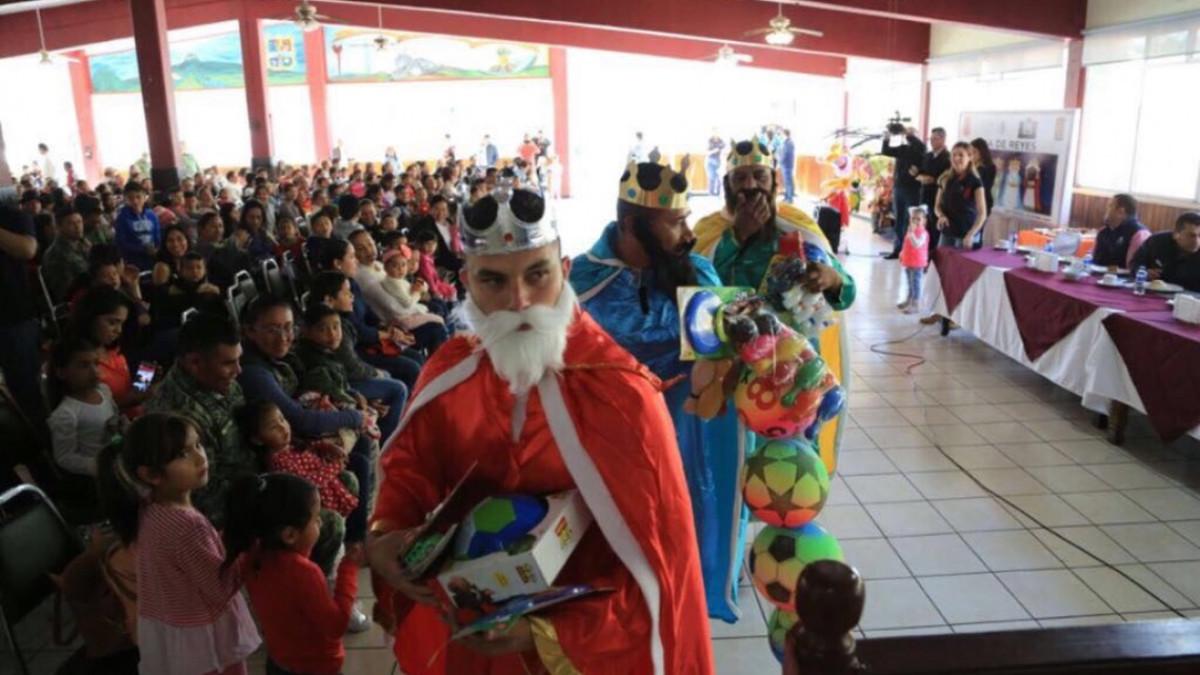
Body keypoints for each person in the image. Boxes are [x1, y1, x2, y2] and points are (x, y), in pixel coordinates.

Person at [366, 186, 714, 674]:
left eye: (537, 274)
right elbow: (409, 474)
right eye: (494, 280)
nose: (520, 301)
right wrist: (386, 537)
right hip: (471, 635)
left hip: (582, 646)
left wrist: (546, 632)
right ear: (466, 281)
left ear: (565, 270)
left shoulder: (623, 395)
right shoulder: (448, 373)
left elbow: (659, 568)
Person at [569, 161, 748, 623]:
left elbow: (720, 357)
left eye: (687, 219)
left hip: (685, 435)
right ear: (632, 226)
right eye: (675, 222)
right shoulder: (582, 286)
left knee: (688, 526)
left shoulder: (698, 273)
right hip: (616, 443)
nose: (688, 233)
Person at [692, 137, 854, 479]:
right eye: (740, 178)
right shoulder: (709, 231)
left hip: (792, 371)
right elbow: (696, 286)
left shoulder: (798, 226)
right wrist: (738, 236)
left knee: (788, 471)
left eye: (759, 176)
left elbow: (846, 292)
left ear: (774, 181)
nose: (751, 186)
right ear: (727, 185)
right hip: (731, 366)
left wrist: (833, 279)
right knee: (731, 462)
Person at [96, 413, 261, 675]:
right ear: (151, 474)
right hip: (206, 642)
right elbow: (220, 589)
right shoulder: (185, 525)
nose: (200, 457)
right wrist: (247, 547)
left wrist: (222, 539)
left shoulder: (150, 507)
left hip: (178, 631)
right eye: (183, 454)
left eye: (198, 445)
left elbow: (192, 558)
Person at [224, 473, 359, 675]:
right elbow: (336, 626)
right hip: (316, 668)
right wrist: (349, 568)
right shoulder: (304, 573)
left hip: (278, 662)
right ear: (289, 534)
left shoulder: (252, 556)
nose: (321, 523)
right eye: (315, 519)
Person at [145, 313, 255, 528]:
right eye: (228, 363)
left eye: (238, 360)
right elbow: (205, 498)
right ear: (194, 363)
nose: (238, 370)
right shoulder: (179, 419)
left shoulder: (216, 379)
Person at [240, 401, 359, 522]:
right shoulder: (278, 462)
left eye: (282, 419)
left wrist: (326, 446)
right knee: (336, 520)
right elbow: (309, 483)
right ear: (257, 440)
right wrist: (335, 466)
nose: (283, 427)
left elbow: (308, 446)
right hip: (317, 501)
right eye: (273, 427)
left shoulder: (289, 445)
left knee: (350, 478)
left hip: (328, 488)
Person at [47, 336, 122, 477]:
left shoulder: (104, 391)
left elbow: (112, 430)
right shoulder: (66, 414)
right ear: (61, 373)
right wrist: (102, 466)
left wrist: (120, 434)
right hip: (102, 476)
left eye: (96, 363)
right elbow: (65, 457)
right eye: (83, 366)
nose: (94, 371)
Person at [0, 201, 44, 426]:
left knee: (26, 386)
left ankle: (39, 437)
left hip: (12, 316)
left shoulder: (11, 216)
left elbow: (27, 249)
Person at [880, 123, 927, 259]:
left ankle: (908, 250)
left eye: (911, 133)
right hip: (899, 188)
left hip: (912, 190)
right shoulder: (903, 148)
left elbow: (920, 146)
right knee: (898, 219)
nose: (907, 135)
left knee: (909, 220)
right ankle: (897, 249)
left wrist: (907, 132)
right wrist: (887, 137)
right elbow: (886, 150)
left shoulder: (921, 149)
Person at [934, 142, 988, 250]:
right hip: (947, 231)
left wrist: (971, 234)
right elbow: (937, 206)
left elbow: (982, 214)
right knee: (941, 260)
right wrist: (941, 216)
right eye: (954, 155)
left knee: (958, 261)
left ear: (970, 157)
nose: (956, 158)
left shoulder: (975, 181)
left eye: (961, 155)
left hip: (965, 233)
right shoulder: (944, 179)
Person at [1130, 212, 1200, 292]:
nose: (1197, 241)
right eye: (1191, 236)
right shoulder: (1156, 241)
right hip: (1152, 292)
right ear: (1176, 234)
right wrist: (1144, 272)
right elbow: (1135, 262)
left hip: (1189, 296)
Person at [41, 209, 91, 302]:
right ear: (59, 227)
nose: (78, 227)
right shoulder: (57, 253)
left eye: (79, 222)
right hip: (75, 299)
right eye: (71, 223)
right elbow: (65, 291)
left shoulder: (81, 244)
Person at [914, 128, 950, 251]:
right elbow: (920, 173)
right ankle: (924, 254)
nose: (932, 141)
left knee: (935, 230)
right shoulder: (928, 155)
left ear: (943, 139)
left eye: (935, 138)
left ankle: (934, 254)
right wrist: (919, 176)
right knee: (923, 227)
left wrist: (933, 180)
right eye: (931, 138)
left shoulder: (948, 157)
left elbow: (946, 177)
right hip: (924, 195)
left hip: (937, 198)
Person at [113, 182, 161, 271]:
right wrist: (144, 250)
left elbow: (157, 235)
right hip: (133, 264)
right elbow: (121, 243)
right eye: (130, 198)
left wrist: (157, 249)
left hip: (154, 260)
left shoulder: (152, 215)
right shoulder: (122, 218)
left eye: (138, 197)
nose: (135, 201)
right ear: (125, 199)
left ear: (144, 197)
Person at [1093, 193, 1149, 269]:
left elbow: (1134, 269)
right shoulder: (1103, 232)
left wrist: (1107, 271)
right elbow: (1095, 261)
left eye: (1110, 206)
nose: (1106, 209)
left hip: (1121, 276)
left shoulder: (1139, 234)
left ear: (1120, 212)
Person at [898, 205, 930, 314]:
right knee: (909, 281)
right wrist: (902, 253)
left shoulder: (923, 233)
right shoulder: (910, 231)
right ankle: (909, 298)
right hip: (908, 260)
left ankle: (915, 304)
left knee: (916, 282)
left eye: (919, 219)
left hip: (918, 262)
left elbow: (916, 244)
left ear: (924, 221)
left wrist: (911, 233)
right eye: (913, 218)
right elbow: (906, 244)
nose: (915, 221)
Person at [969, 137, 996, 217]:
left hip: (982, 203)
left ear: (982, 152)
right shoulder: (969, 165)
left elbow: (985, 186)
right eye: (970, 152)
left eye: (974, 152)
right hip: (968, 204)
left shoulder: (989, 167)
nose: (971, 155)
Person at [705, 131, 725, 196]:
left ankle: (719, 194)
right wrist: (714, 151)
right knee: (712, 178)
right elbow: (706, 152)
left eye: (717, 132)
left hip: (719, 161)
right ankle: (711, 194)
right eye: (715, 132)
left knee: (720, 179)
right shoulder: (709, 141)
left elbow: (724, 150)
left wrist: (721, 153)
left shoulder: (721, 141)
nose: (716, 134)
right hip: (710, 161)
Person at [779, 129, 796, 204]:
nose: (781, 136)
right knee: (787, 182)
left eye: (782, 134)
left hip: (787, 165)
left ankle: (789, 199)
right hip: (786, 164)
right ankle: (787, 196)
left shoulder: (789, 143)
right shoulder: (787, 142)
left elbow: (785, 154)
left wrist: (780, 161)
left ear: (785, 134)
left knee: (788, 182)